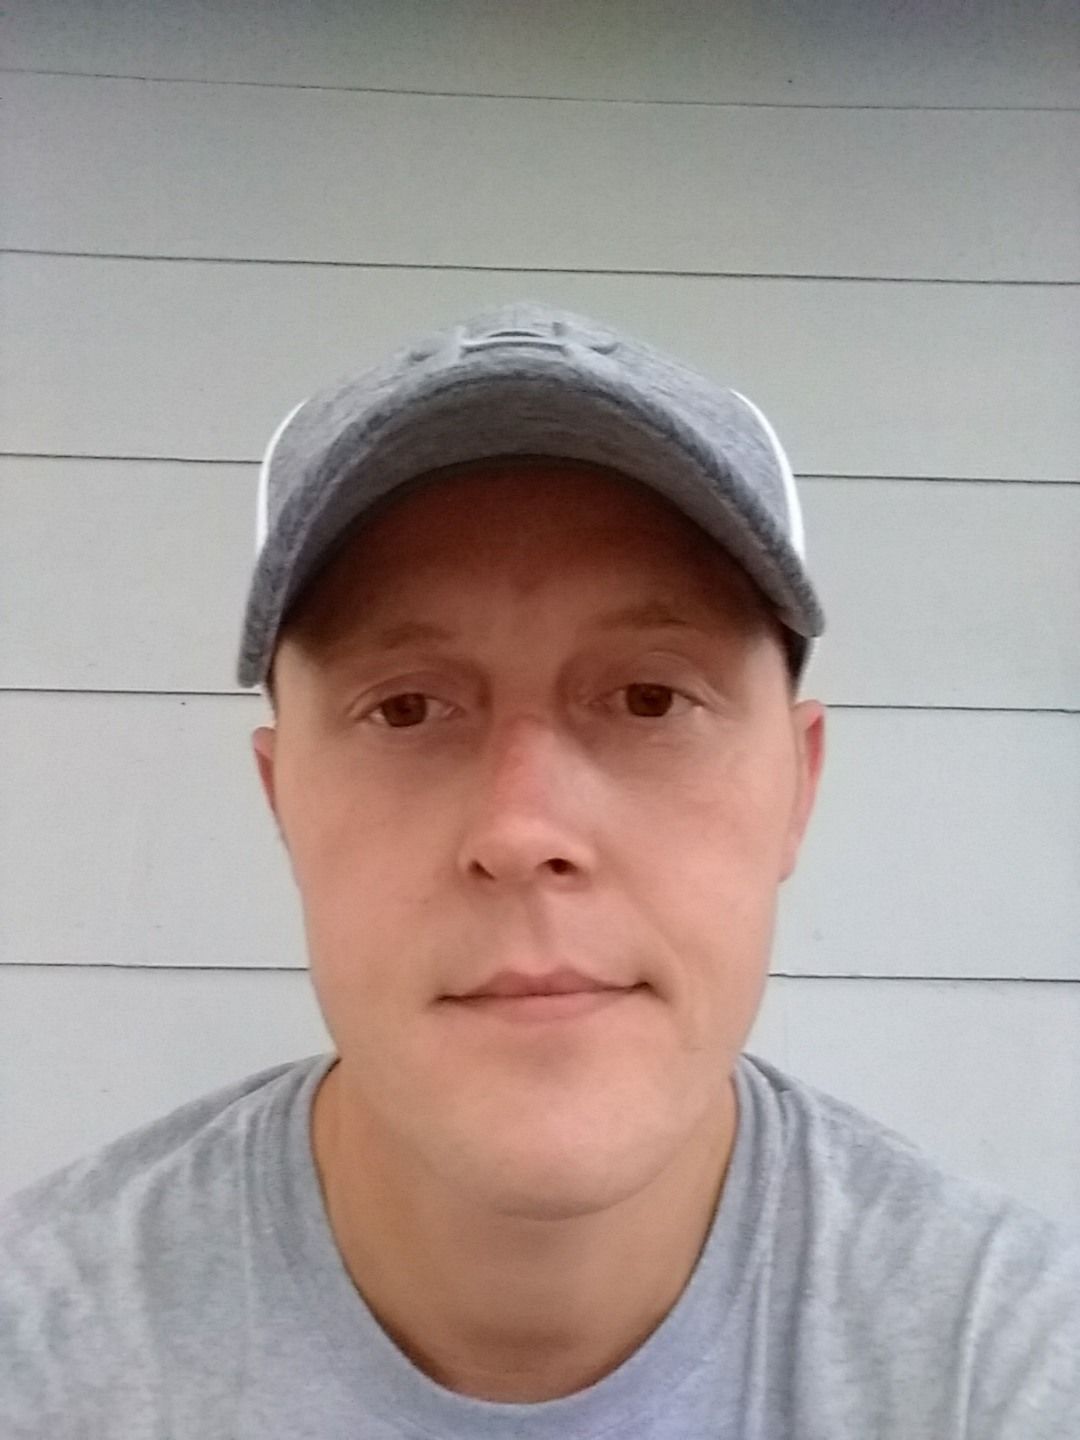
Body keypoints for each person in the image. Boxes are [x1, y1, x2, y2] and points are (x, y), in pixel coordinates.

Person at [1, 303, 1077, 1438]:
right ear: (282, 804)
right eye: (406, 708)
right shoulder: (43, 1363)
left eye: (650, 698)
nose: (522, 829)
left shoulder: (1005, 1372)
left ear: (797, 789)